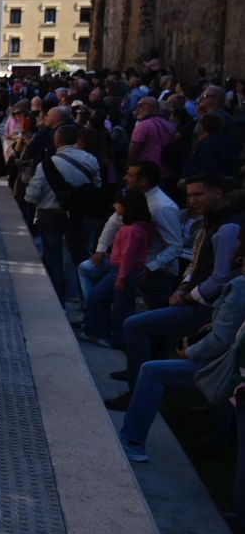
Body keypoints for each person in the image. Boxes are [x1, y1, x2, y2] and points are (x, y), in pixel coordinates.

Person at [108, 173, 241, 408]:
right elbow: (196, 262)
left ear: (219, 192)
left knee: (135, 325)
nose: (192, 201)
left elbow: (221, 277)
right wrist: (182, 288)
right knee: (152, 330)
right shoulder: (209, 221)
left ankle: (136, 387)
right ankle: (141, 373)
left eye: (199, 194)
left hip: (210, 308)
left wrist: (189, 296)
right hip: (196, 300)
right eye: (189, 196)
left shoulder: (228, 227)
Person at [118, 251, 244, 462]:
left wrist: (189, 352)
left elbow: (221, 340)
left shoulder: (240, 285)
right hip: (233, 368)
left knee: (151, 371)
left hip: (228, 367)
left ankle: (132, 442)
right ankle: (219, 441)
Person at [78, 162, 184, 329]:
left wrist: (151, 266)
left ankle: (107, 327)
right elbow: (112, 223)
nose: (125, 178)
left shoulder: (163, 207)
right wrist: (100, 250)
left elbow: (176, 245)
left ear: (143, 181)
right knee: (87, 269)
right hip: (124, 263)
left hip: (150, 268)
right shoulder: (131, 197)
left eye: (130, 175)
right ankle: (96, 319)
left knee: (126, 307)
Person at [25, 124, 102, 305]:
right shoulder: (91, 160)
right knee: (78, 255)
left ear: (57, 140)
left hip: (50, 214)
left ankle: (58, 300)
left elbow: (31, 195)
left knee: (54, 257)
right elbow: (96, 186)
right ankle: (82, 299)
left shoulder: (47, 164)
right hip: (79, 215)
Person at [77, 190, 156, 350]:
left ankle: (119, 339)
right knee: (98, 297)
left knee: (122, 307)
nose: (115, 206)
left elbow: (128, 256)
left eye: (118, 203)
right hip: (119, 269)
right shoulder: (136, 226)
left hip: (125, 271)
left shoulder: (131, 230)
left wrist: (121, 277)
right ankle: (97, 331)